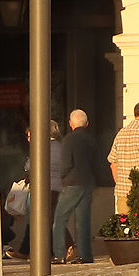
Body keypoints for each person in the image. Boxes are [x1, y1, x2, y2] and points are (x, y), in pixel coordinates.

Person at [53, 107, 110, 264]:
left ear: (71, 123)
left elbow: (66, 163)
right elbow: (97, 163)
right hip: (88, 183)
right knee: (83, 220)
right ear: (87, 124)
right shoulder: (92, 140)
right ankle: (85, 255)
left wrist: (63, 177)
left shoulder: (69, 139)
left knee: (59, 218)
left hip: (72, 183)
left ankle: (59, 254)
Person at [107, 102, 139, 208]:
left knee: (125, 223)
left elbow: (113, 164)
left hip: (123, 193)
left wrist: (121, 183)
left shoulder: (121, 133)